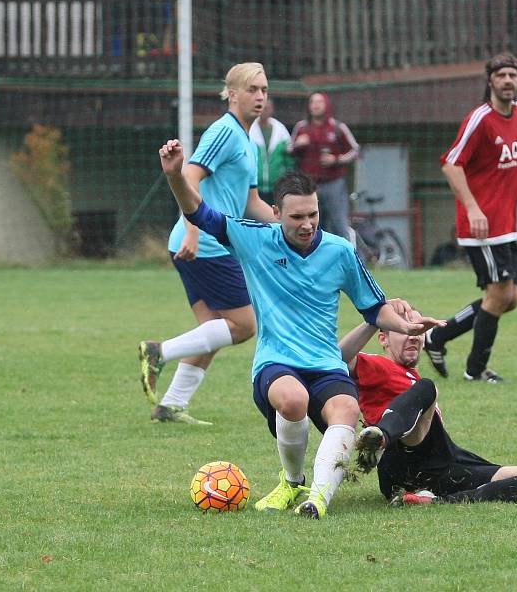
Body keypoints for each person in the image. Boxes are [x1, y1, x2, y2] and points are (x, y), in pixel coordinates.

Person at [156, 152, 444, 519]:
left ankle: (318, 501)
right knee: (293, 399)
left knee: (348, 408)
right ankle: (293, 482)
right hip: (276, 363)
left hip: (325, 366)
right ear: (275, 213)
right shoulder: (254, 239)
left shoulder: (340, 251)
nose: (307, 224)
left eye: (313, 214)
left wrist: (404, 326)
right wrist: (175, 176)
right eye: (297, 217)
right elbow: (199, 213)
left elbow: (374, 307)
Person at [138, 62, 275, 425]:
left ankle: (171, 406)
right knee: (244, 326)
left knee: (211, 333)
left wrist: (286, 226)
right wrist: (196, 230)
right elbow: (189, 176)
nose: (260, 96)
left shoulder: (249, 140)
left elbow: (251, 202)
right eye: (252, 90)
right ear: (232, 94)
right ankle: (159, 351)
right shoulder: (225, 131)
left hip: (203, 242)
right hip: (205, 243)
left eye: (263, 90)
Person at [339, 304, 517, 505]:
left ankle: (439, 500)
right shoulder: (377, 365)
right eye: (405, 330)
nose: (414, 336)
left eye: (418, 330)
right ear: (384, 338)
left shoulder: (410, 377)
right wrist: (374, 317)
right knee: (428, 388)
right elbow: (338, 357)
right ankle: (381, 436)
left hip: (442, 466)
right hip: (402, 460)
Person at [424, 52, 517, 384]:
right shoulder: (480, 119)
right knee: (499, 295)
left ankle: (438, 338)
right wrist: (473, 208)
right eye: (501, 75)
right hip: (482, 226)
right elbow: (450, 164)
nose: (507, 81)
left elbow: (511, 162)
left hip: (506, 225)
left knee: (510, 299)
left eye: (512, 76)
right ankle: (475, 371)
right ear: (490, 81)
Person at [288, 92, 360, 240]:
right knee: (314, 226)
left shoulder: (338, 127)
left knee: (339, 223)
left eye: (319, 102)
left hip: (333, 184)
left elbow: (355, 150)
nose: (315, 105)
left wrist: (336, 159)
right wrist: (298, 145)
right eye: (312, 102)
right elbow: (289, 150)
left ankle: (348, 260)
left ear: (326, 105)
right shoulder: (302, 128)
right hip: (310, 186)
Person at [249, 98, 295, 205]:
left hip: (276, 188)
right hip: (254, 188)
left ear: (272, 109)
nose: (264, 110)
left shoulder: (281, 130)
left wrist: (287, 182)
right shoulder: (250, 129)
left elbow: (288, 159)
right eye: (261, 107)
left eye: (267, 108)